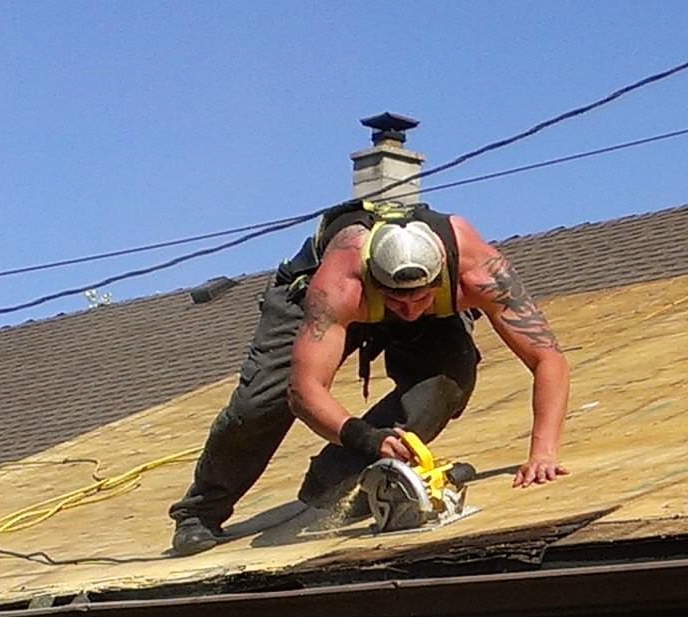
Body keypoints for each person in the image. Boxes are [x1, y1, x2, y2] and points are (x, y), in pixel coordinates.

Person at [168, 199, 570, 556]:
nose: (409, 310)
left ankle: (339, 484)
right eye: (397, 299)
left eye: (420, 297)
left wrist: (543, 453)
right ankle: (201, 511)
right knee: (260, 403)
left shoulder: (480, 272)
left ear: (440, 278)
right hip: (321, 300)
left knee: (448, 381)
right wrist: (366, 437)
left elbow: (547, 358)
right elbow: (304, 390)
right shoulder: (338, 285)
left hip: (428, 305)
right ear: (374, 280)